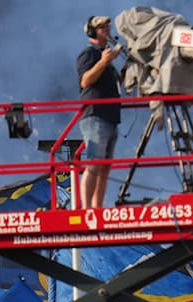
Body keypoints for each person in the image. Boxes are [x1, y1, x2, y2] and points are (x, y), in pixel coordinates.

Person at [76, 15, 122, 208]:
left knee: (105, 167)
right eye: (102, 27)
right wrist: (103, 62)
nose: (107, 29)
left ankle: (97, 207)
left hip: (110, 116)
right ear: (92, 32)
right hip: (95, 115)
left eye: (107, 26)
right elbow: (85, 81)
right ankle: (87, 208)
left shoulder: (105, 57)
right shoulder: (89, 54)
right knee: (94, 163)